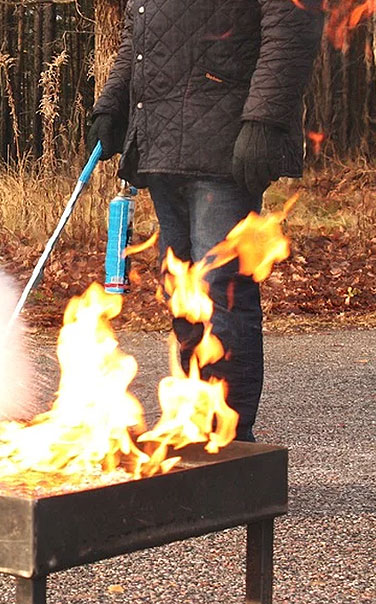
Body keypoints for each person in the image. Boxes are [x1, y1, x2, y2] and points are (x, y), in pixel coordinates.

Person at [87, 0, 322, 442]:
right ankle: (196, 426)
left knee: (222, 295)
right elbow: (136, 38)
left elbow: (292, 21)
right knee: (182, 294)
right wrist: (112, 105)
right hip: (159, 143)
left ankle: (232, 445)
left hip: (225, 146)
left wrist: (263, 120)